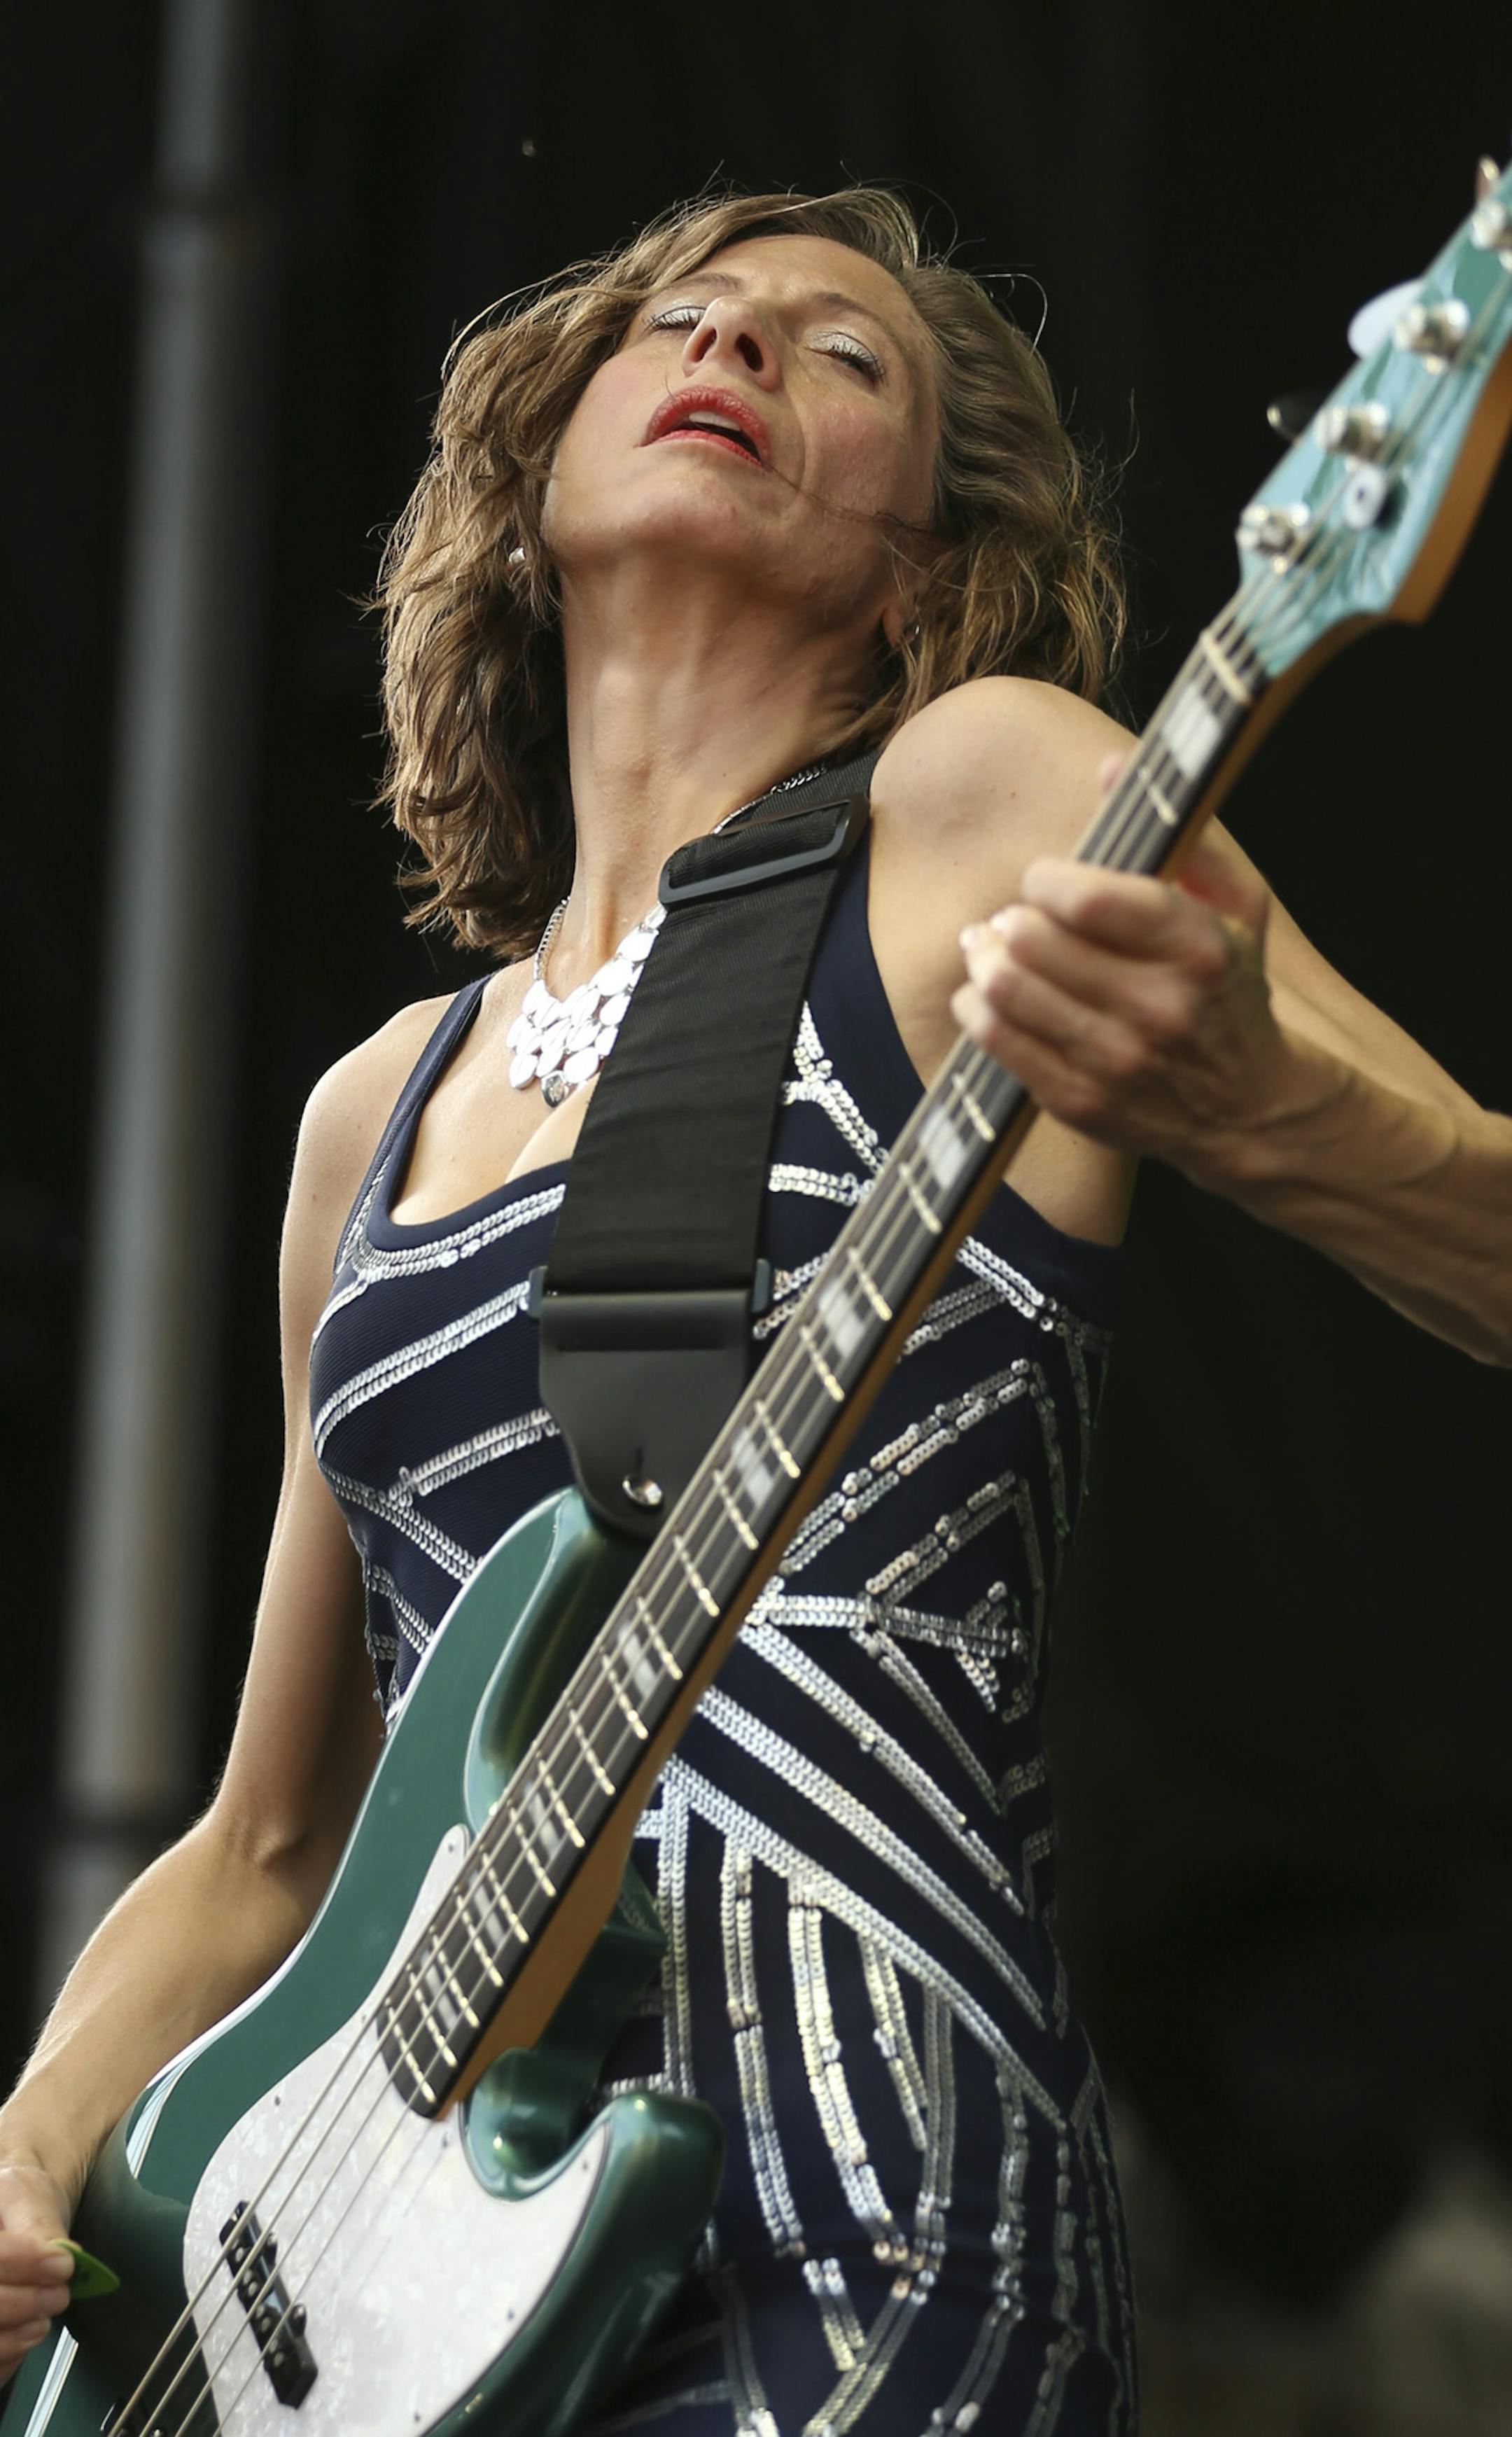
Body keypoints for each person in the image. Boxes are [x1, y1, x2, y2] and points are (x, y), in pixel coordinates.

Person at [1, 186, 1507, 2436]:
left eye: (844, 352)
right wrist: (30, 2145)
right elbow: (273, 1852)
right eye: (681, 319)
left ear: (927, 561)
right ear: (531, 494)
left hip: (858, 2219)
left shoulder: (984, 796)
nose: (738, 345)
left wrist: (1276, 1109)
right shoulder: (368, 1116)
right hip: (379, 2322)